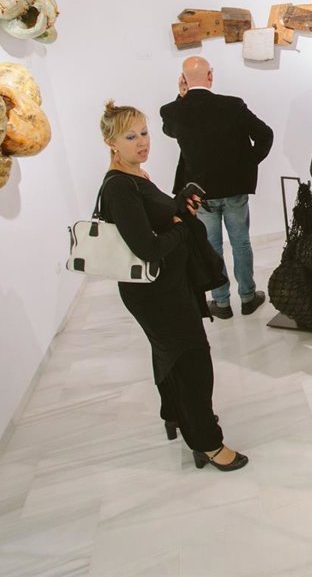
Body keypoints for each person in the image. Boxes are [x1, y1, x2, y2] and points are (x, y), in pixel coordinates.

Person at [98, 101, 247, 472]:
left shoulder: (137, 176)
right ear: (111, 143)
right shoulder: (120, 188)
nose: (142, 142)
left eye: (144, 133)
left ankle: (176, 415)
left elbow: (154, 220)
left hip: (168, 285)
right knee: (193, 361)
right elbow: (148, 248)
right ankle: (207, 443)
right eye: (130, 137)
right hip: (155, 293)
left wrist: (179, 207)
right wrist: (181, 227)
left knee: (170, 355)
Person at [161, 56, 273, 320]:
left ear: (183, 79)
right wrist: (247, 164)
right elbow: (265, 134)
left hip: (200, 194)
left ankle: (221, 303)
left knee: (211, 246)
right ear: (210, 76)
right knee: (241, 243)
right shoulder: (233, 105)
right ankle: (247, 298)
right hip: (234, 189)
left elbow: (170, 131)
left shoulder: (173, 111)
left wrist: (181, 97)